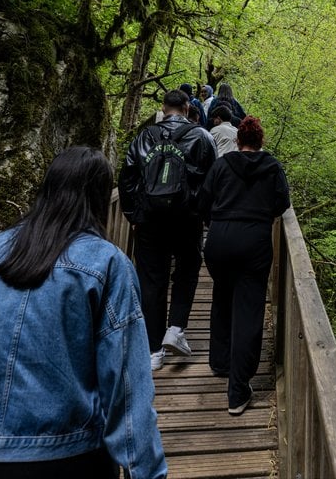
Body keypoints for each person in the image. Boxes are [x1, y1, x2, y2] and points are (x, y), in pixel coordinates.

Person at [0, 147, 167, 479]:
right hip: (65, 456)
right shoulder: (106, 262)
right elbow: (126, 384)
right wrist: (148, 471)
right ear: (99, 198)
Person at [195, 117, 291, 415]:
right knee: (248, 309)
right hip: (254, 240)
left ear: (238, 141)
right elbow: (282, 202)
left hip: (220, 241)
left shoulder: (221, 165)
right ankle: (237, 391)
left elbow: (203, 200)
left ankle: (220, 361)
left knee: (223, 295)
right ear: (261, 141)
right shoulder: (272, 166)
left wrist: (216, 221)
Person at [119, 89, 216, 370]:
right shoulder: (202, 136)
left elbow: (128, 177)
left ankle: (153, 351)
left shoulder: (144, 137)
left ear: (163, 108)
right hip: (187, 218)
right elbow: (212, 181)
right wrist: (205, 216)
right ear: (187, 107)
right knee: (187, 269)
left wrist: (132, 215)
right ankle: (176, 329)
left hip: (149, 218)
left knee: (151, 279)